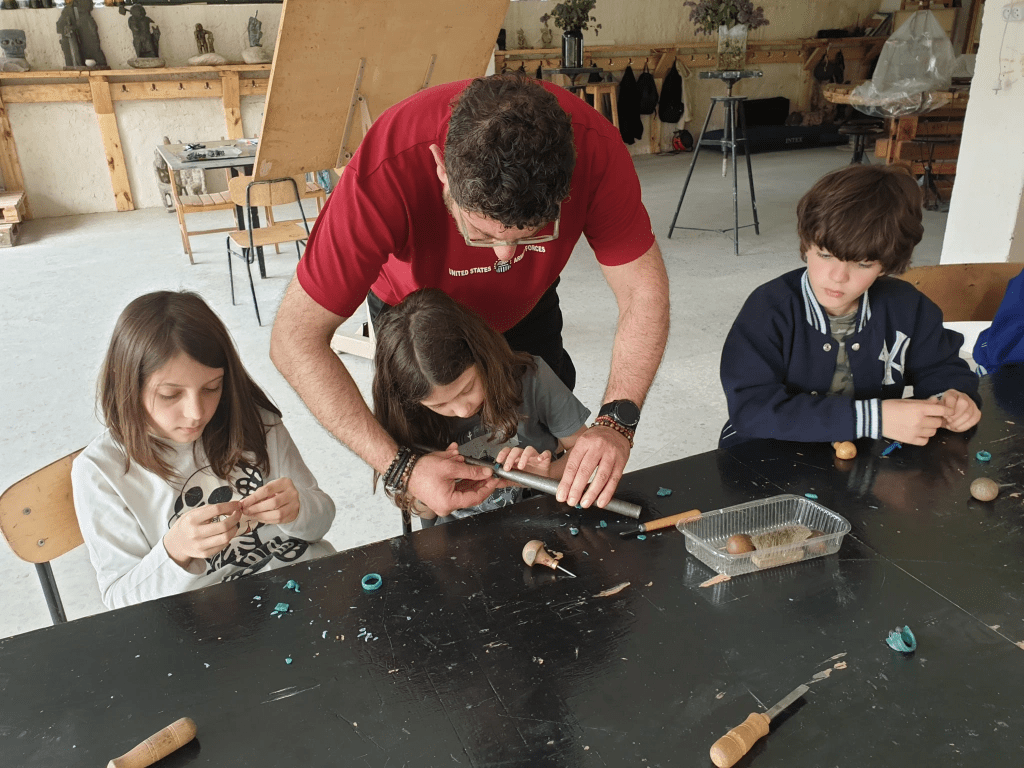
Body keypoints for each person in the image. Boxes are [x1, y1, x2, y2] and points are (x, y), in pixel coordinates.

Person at [271, 73, 669, 522]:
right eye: (480, 232)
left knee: (546, 456)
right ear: (441, 168)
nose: (504, 257)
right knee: (429, 478)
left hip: (528, 307)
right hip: (417, 321)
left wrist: (616, 422)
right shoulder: (387, 165)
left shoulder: (596, 148)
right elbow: (294, 339)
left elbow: (642, 289)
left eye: (530, 234)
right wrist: (400, 467)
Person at [72, 291, 336, 610]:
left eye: (212, 388)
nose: (196, 413)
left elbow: (321, 523)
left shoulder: (255, 421)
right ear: (127, 384)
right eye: (170, 395)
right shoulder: (102, 470)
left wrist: (298, 510)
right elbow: (120, 600)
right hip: (208, 618)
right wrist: (175, 551)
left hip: (305, 586)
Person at [719, 164, 981, 448]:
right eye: (825, 255)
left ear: (886, 265)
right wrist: (873, 418)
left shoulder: (908, 307)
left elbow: (941, 368)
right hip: (764, 453)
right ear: (806, 244)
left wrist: (952, 398)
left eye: (863, 264)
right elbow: (751, 410)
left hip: (864, 456)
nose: (838, 277)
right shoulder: (767, 310)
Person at [371, 289, 590, 526]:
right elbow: (425, 513)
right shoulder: (407, 416)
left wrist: (548, 474)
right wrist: (426, 492)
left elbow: (585, 451)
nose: (463, 410)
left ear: (482, 356)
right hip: (457, 536)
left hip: (543, 519)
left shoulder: (533, 379)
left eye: (467, 389)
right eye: (440, 404)